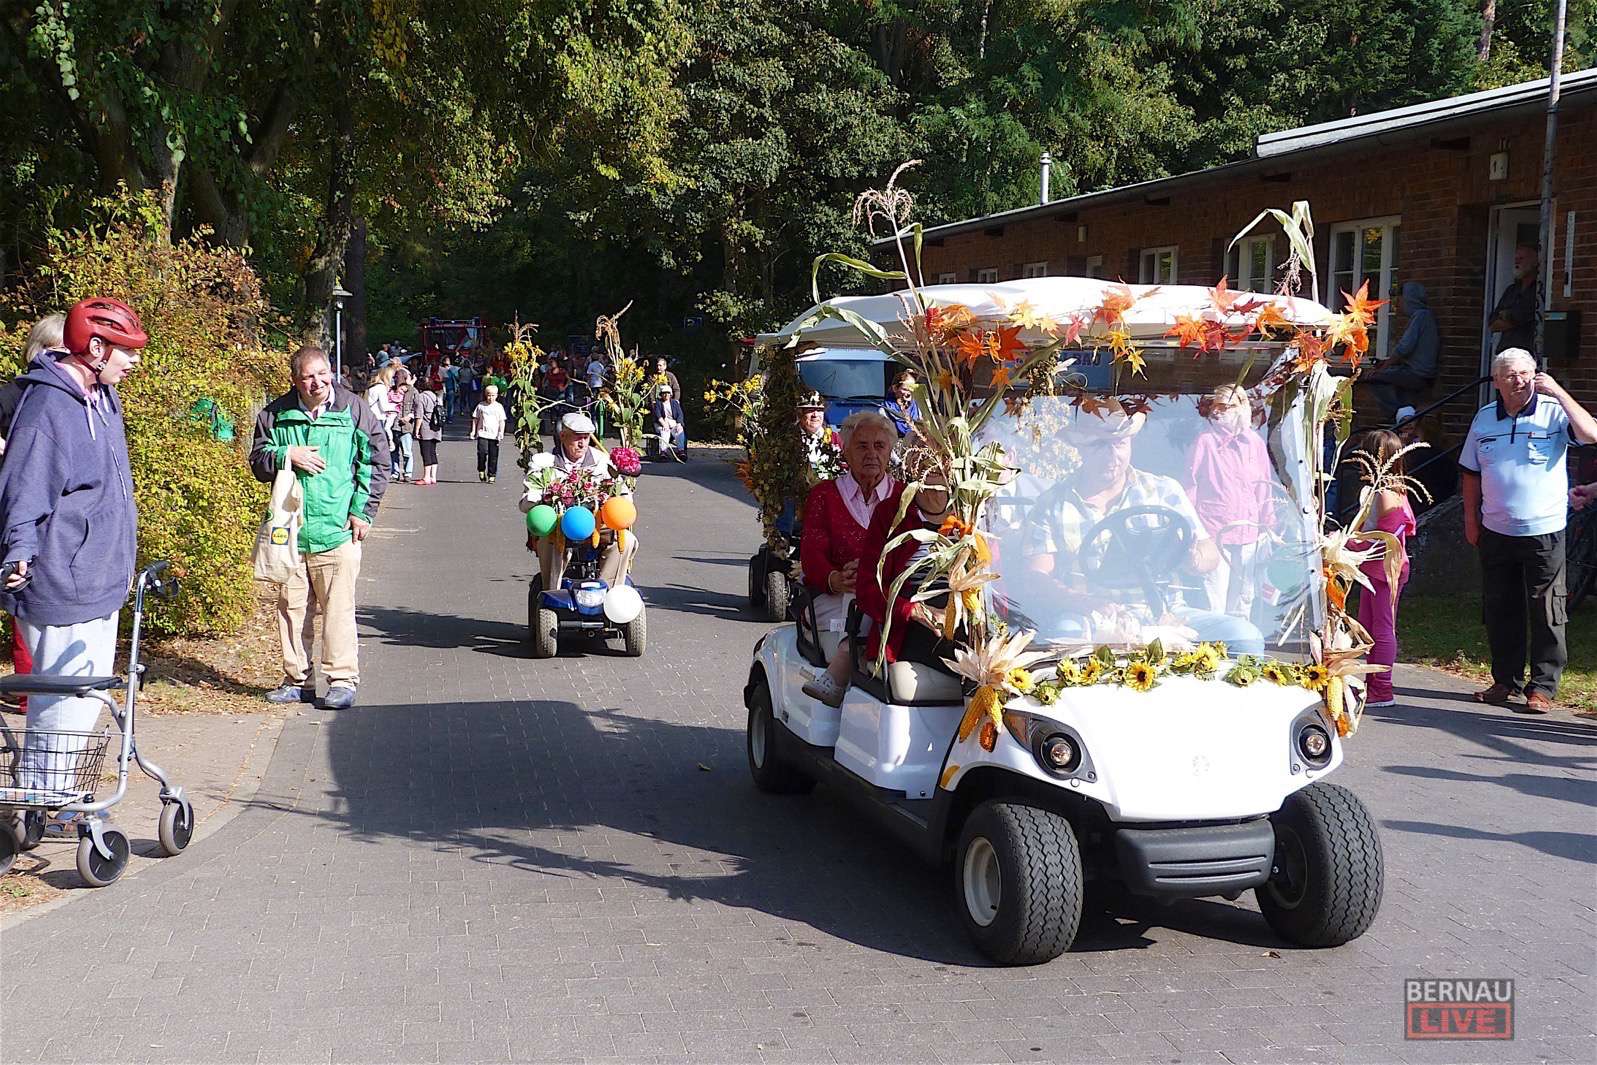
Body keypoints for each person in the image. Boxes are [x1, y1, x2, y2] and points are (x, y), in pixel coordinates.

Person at [0, 297, 145, 807]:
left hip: (100, 580)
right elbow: (22, 489)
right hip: (61, 582)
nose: (134, 362)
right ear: (96, 348)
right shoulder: (47, 408)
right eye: (126, 351)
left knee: (81, 706)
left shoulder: (103, 398)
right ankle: (36, 809)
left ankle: (46, 803)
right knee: (60, 711)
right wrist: (17, 552)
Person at [1022, 401, 1248, 650]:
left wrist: (1194, 558)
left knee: (1243, 636)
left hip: (1168, 614)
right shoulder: (1052, 503)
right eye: (1100, 445)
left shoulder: (1164, 490)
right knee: (1064, 635)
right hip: (1091, 620)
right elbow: (1035, 577)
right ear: (1081, 448)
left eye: (1119, 444)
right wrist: (1085, 603)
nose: (1112, 455)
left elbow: (1210, 553)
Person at [250, 346, 388, 711]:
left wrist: (363, 513)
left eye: (323, 373)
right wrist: (287, 455)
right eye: (309, 376)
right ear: (295, 379)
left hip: (336, 529)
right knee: (291, 610)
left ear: (332, 372)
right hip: (291, 531)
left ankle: (342, 680)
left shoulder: (353, 409)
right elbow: (258, 462)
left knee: (338, 610)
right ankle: (298, 680)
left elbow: (375, 461)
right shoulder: (276, 414)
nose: (318, 382)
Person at [1459, 349, 1597, 712]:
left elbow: (1592, 433)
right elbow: (1470, 475)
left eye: (1526, 373)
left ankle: (1543, 688)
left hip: (1545, 530)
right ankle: (1505, 680)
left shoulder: (1554, 413)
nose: (1519, 380)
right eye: (1510, 375)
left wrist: (1559, 393)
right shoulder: (1484, 419)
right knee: (1501, 607)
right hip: (1495, 530)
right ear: (1496, 381)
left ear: (1536, 375)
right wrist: (1471, 521)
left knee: (1547, 610)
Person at [798, 410, 900, 707]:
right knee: (869, 607)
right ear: (846, 450)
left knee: (884, 605)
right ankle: (843, 660)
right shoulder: (825, 495)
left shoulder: (904, 497)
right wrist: (836, 579)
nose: (871, 454)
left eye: (879, 446)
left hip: (888, 594)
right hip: (835, 596)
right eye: (862, 446)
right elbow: (812, 553)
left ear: (890, 451)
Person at [0, 315, 66, 713]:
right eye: (59, 353)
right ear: (39, 352)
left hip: (50, 519)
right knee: (25, 599)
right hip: (14, 515)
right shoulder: (17, 393)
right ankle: (28, 693)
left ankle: (39, 689)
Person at [520, 412, 639, 589]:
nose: (583, 444)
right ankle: (552, 591)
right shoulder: (544, 462)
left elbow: (623, 496)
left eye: (586, 438)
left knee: (626, 539)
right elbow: (526, 501)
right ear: (563, 436)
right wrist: (539, 499)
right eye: (577, 438)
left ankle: (609, 590)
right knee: (547, 540)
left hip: (597, 523)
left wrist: (618, 501)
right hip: (559, 525)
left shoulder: (602, 461)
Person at [1186, 384, 1272, 618]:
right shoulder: (1205, 441)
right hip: (1214, 533)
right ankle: (1212, 650)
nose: (1224, 412)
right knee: (1214, 596)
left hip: (1249, 533)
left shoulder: (1254, 442)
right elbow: (1190, 485)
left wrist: (1269, 525)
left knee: (1244, 597)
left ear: (1244, 408)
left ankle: (1238, 651)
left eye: (1231, 406)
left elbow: (1264, 484)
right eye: (1220, 407)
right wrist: (1193, 532)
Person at [1350, 429, 1417, 709]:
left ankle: (1382, 686)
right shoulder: (1389, 490)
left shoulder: (1388, 493)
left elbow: (1383, 536)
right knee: (1367, 624)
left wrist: (1349, 545)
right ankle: (1371, 680)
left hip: (1384, 570)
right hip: (1374, 568)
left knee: (1382, 628)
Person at [1365, 281, 1441, 418]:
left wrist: (1382, 368)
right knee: (1397, 385)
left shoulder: (1421, 317)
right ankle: (1407, 414)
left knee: (1375, 378)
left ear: (1409, 299)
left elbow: (1404, 348)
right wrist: (1386, 362)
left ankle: (1400, 417)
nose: (1398, 304)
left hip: (1417, 374)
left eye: (1400, 299)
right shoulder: (1423, 316)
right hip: (1414, 372)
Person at [1488, 244, 1539, 355]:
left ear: (1535, 262)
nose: (1517, 262)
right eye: (1515, 259)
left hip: (1526, 353)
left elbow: (1520, 316)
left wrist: (1506, 316)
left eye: (1521, 259)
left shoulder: (1538, 290)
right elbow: (1492, 323)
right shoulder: (1512, 290)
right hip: (1505, 352)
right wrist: (1510, 318)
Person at [471, 383, 507, 483]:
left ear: (497, 395)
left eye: (493, 395)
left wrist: (501, 432)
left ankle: (492, 474)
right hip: (482, 433)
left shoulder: (499, 407)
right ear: (485, 395)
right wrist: (473, 431)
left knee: (493, 456)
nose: (491, 398)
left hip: (494, 435)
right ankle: (481, 470)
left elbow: (502, 421)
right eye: (489, 395)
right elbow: (475, 418)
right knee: (482, 453)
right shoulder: (481, 406)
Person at [388, 367, 417, 483]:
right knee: (393, 451)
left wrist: (409, 416)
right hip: (393, 426)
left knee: (407, 451)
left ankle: (407, 473)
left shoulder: (412, 391)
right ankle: (395, 473)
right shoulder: (391, 391)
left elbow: (418, 408)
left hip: (406, 426)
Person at [413, 378, 442, 485]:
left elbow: (419, 415)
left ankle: (426, 477)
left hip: (426, 428)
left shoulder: (421, 397)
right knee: (433, 452)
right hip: (436, 427)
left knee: (425, 452)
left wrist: (416, 430)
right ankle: (433, 476)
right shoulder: (436, 397)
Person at [880, 370, 922, 437]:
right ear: (895, 388)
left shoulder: (918, 408)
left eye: (912, 389)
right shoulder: (884, 410)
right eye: (905, 389)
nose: (909, 393)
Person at [651, 384, 687, 461]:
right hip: (660, 423)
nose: (666, 395)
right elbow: (658, 416)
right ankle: (663, 452)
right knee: (665, 431)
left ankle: (681, 451)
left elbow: (680, 415)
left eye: (668, 393)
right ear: (661, 394)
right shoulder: (658, 403)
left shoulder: (674, 403)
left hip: (672, 422)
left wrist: (679, 424)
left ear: (670, 394)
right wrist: (664, 424)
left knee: (679, 430)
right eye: (664, 393)